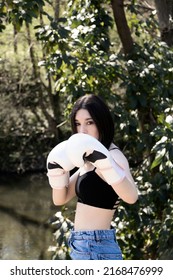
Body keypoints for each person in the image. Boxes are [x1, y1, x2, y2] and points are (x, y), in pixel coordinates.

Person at [47, 94, 138, 260]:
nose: (83, 130)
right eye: (78, 124)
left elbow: (132, 197)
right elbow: (60, 199)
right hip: (80, 246)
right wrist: (57, 172)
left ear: (101, 122)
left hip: (96, 247)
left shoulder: (113, 155)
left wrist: (107, 166)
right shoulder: (88, 158)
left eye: (89, 122)